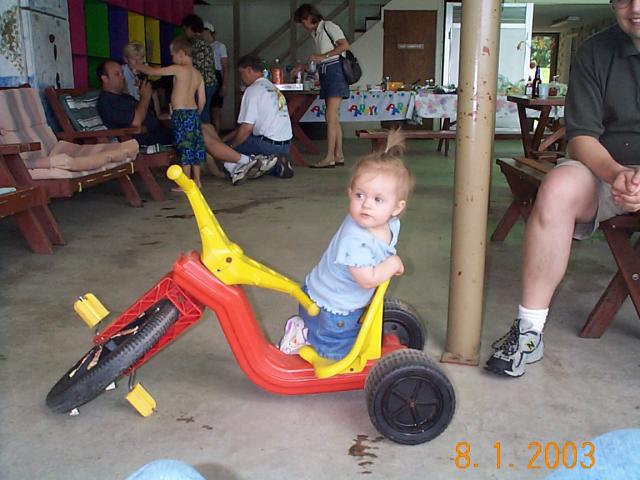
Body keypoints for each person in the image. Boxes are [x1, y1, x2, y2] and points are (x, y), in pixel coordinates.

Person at [486, 0, 640, 378]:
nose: (635, 7)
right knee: (556, 188)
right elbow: (581, 136)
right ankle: (529, 331)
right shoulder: (596, 51)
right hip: (607, 169)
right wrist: (617, 173)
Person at [279, 129, 413, 359]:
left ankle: (306, 326)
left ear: (396, 208)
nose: (366, 205)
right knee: (347, 356)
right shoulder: (355, 240)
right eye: (360, 195)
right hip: (331, 312)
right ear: (350, 193)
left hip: (324, 297)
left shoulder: (389, 223)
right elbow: (367, 280)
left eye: (378, 199)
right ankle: (304, 335)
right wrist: (393, 263)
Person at [97, 59, 276, 185]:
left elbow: (143, 114)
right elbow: (135, 123)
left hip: (159, 130)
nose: (122, 77)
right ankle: (246, 160)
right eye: (117, 74)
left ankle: (232, 166)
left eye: (121, 73)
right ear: (104, 79)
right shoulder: (108, 101)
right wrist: (145, 97)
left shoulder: (123, 97)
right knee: (199, 133)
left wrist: (162, 116)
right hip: (145, 139)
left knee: (206, 126)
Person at [132, 36, 206, 188]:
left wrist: (138, 66)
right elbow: (202, 100)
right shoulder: (198, 74)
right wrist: (197, 114)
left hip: (181, 114)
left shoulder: (178, 69)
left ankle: (186, 183)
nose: (172, 59)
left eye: (172, 55)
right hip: (193, 114)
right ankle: (197, 180)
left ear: (181, 54)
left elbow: (155, 71)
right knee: (195, 146)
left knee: (184, 147)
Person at [293, 4, 350, 169]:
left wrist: (322, 56)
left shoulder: (328, 26)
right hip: (327, 73)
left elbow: (344, 45)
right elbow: (320, 60)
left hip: (335, 73)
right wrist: (304, 66)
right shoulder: (316, 33)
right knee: (333, 117)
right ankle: (338, 154)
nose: (303, 25)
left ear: (309, 17)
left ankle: (329, 157)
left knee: (330, 115)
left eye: (302, 21)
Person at [222, 54, 294, 179]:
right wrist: (225, 139)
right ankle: (276, 165)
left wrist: (231, 146)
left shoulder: (252, 90)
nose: (241, 78)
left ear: (249, 70)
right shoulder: (272, 87)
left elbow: (246, 128)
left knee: (224, 152)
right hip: (286, 146)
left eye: (241, 73)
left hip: (267, 145)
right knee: (232, 143)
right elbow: (244, 127)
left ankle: (243, 168)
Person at [181, 14, 217, 125]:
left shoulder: (192, 43)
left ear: (189, 28)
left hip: (201, 84)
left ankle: (202, 135)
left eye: (185, 29)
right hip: (211, 82)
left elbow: (190, 65)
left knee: (200, 116)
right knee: (205, 113)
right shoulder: (204, 42)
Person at [202, 21, 228, 133]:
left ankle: (216, 135)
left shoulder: (220, 46)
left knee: (215, 110)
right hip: (204, 76)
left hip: (216, 75)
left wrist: (224, 85)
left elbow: (225, 66)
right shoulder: (201, 46)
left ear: (209, 31)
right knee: (204, 108)